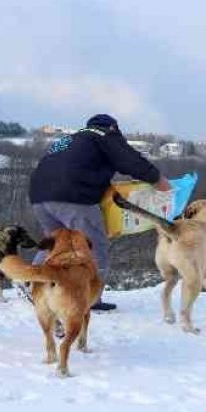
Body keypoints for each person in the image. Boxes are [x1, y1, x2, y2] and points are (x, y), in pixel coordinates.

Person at [28, 113, 171, 311]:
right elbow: (130, 160)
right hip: (73, 195)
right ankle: (91, 298)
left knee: (55, 243)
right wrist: (158, 180)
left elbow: (69, 165)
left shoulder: (70, 139)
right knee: (94, 245)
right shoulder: (103, 134)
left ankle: (32, 283)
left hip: (39, 195)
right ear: (113, 128)